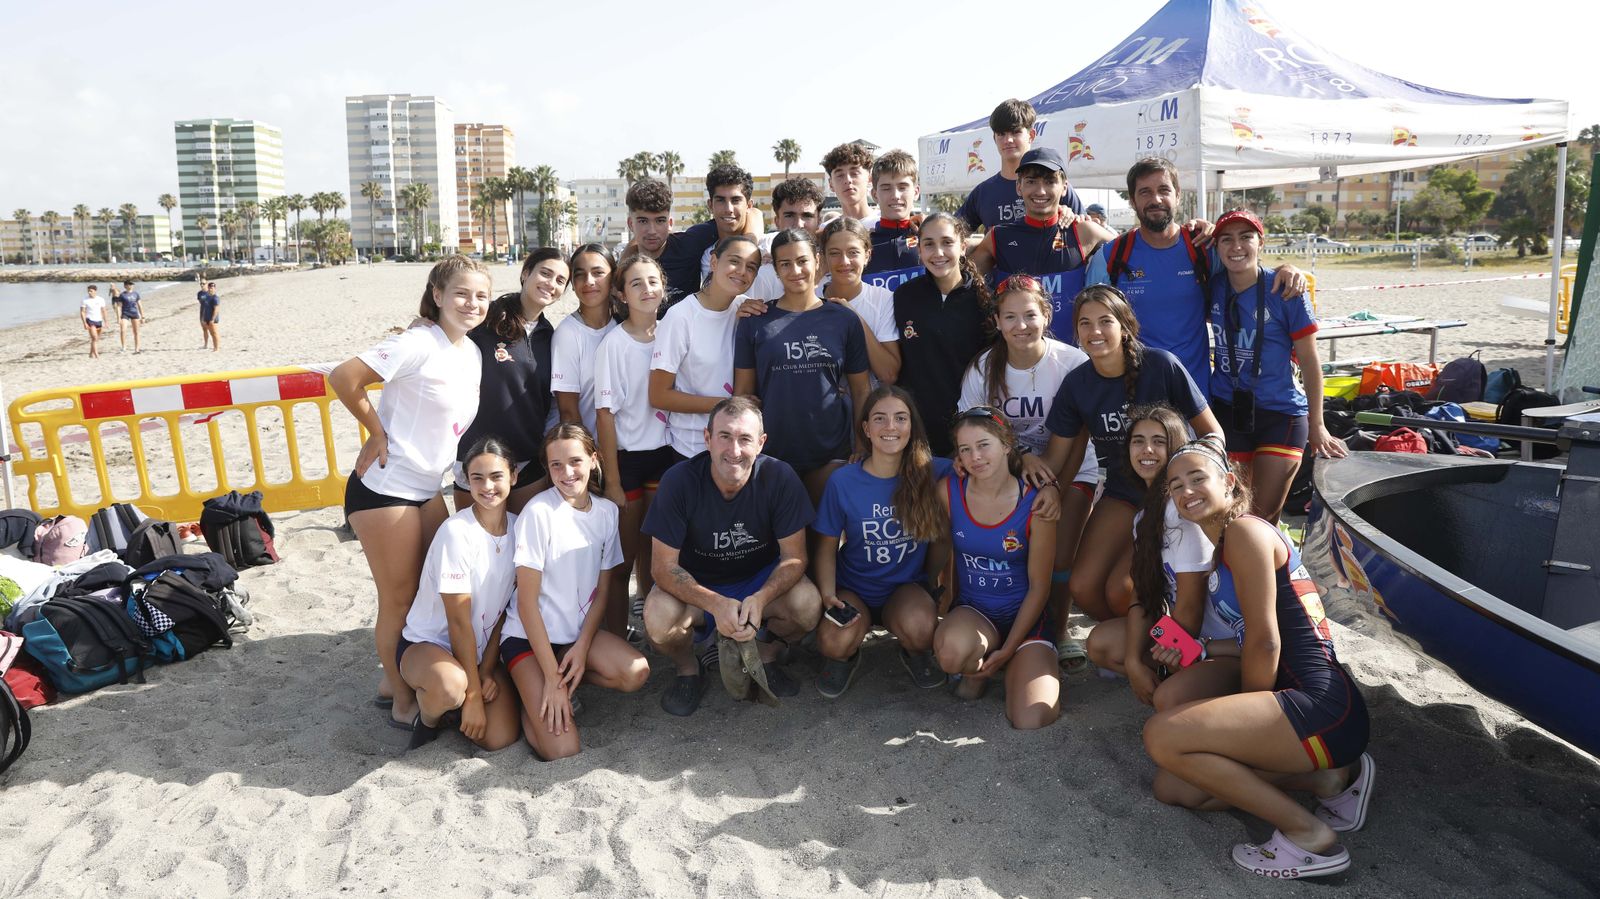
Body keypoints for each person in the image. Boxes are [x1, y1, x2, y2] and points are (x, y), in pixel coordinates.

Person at [1143, 439, 1373, 880]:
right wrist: (1204, 651)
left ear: (1229, 483)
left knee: (1162, 737)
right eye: (1175, 486)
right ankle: (1331, 780)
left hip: (1322, 705)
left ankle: (1311, 838)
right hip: (1310, 707)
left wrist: (1246, 724)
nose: (1186, 490)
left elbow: (1266, 644)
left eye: (1197, 478)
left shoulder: (1246, 533)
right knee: (1173, 786)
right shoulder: (1222, 552)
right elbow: (1253, 637)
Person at [330, 255, 491, 729]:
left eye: (481, 295)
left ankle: (391, 676)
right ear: (437, 295)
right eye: (461, 293)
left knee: (432, 592)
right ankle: (401, 700)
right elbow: (343, 377)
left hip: (426, 487)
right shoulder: (418, 342)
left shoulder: (469, 350)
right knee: (398, 600)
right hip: (385, 488)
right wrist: (375, 430)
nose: (472, 303)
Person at [1039, 285, 1222, 626]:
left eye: (1105, 321)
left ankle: (1169, 645)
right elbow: (1059, 458)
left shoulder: (1161, 365)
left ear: (1124, 326)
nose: (1094, 331)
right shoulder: (1077, 384)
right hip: (1123, 493)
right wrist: (1023, 466)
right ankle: (1138, 644)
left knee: (1120, 590)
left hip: (1173, 494)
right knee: (1083, 586)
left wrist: (1200, 480)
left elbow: (1213, 433)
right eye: (1084, 323)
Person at [640, 396, 822, 716]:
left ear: (761, 443)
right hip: (699, 586)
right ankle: (689, 669)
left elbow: (795, 557)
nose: (734, 450)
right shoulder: (679, 481)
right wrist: (714, 603)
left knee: (808, 605)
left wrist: (762, 598)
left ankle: (764, 655)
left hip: (757, 580)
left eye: (745, 439)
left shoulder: (779, 477)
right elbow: (663, 567)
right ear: (707, 438)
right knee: (657, 618)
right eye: (724, 436)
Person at [958, 275, 1098, 664]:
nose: (1022, 326)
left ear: (1047, 315)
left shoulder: (1072, 362)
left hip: (1071, 467)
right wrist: (1021, 457)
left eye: (1030, 315)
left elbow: (1081, 435)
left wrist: (1054, 486)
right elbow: (971, 426)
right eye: (1011, 317)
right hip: (1006, 468)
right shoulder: (984, 368)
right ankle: (1009, 617)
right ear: (998, 322)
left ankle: (1057, 624)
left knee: (1060, 549)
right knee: (1013, 548)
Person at [1085, 157, 1305, 393]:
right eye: (1145, 192)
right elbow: (1090, 324)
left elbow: (1248, 273)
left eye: (1163, 190)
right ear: (1132, 200)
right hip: (1136, 390)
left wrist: (1284, 269)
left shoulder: (1203, 248)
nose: (1155, 199)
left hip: (1195, 393)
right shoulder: (1111, 257)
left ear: (1178, 195)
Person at [505, 424, 649, 760]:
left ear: (594, 459)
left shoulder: (606, 513)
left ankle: (557, 682)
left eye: (575, 461)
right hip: (527, 638)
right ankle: (529, 700)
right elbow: (526, 604)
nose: (567, 473)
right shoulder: (539, 513)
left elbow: (602, 589)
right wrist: (553, 680)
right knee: (564, 749)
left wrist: (582, 648)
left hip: (572, 638)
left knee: (635, 672)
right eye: (556, 465)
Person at [1084, 404, 1238, 710]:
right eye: (1138, 440)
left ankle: (1196, 686)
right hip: (1190, 632)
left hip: (1220, 640)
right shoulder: (1145, 515)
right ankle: (1184, 683)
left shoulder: (1184, 510)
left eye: (1159, 441)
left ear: (1177, 448)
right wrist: (1132, 661)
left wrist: (1170, 658)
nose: (1147, 449)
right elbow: (1143, 592)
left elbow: (1191, 608)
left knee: (1168, 699)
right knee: (1102, 644)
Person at [1208, 209, 1348, 522]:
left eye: (1246, 237)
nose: (1236, 246)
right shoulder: (1213, 287)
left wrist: (1318, 425)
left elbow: (1311, 363)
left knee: (1258, 518)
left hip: (1281, 414)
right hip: (1228, 411)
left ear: (1261, 242)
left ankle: (1273, 569)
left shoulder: (1286, 290)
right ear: (1216, 248)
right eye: (1227, 239)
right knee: (1229, 515)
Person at [810, 386, 951, 697]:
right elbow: (826, 547)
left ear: (911, 426)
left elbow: (984, 465)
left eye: (900, 418)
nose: (890, 427)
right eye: (880, 418)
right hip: (854, 587)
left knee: (923, 629)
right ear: (866, 429)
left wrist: (1029, 465)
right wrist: (828, 595)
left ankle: (913, 653)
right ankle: (848, 655)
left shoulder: (932, 470)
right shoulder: (843, 481)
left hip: (904, 589)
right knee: (833, 643)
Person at [933, 408, 1060, 729]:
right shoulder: (949, 491)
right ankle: (981, 667)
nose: (975, 456)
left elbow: (1039, 587)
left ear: (1007, 444)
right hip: (977, 612)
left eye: (983, 445)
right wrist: (944, 605)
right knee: (949, 655)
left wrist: (1009, 649)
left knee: (1032, 718)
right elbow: (944, 554)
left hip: (1026, 619)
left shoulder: (1036, 502)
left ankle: (1014, 664)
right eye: (965, 449)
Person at [399, 437, 523, 752]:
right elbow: (458, 622)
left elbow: (503, 613)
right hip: (429, 644)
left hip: (478, 651)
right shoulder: (456, 533)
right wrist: (473, 695)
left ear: (513, 476)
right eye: (477, 478)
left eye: (496, 476)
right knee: (450, 686)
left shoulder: (521, 530)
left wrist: (485, 671)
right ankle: (427, 719)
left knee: (499, 739)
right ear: (466, 481)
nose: (487, 486)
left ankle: (455, 706)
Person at [734, 229, 870, 503]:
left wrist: (862, 444)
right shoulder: (755, 320)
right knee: (783, 541)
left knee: (825, 540)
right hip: (772, 453)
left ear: (817, 261)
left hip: (832, 452)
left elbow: (861, 391)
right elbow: (743, 396)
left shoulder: (844, 319)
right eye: (785, 263)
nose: (795, 270)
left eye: (802, 261)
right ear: (775, 269)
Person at [595, 254, 676, 635]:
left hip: (666, 455)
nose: (647, 290)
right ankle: (614, 633)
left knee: (652, 549)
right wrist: (611, 480)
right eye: (636, 283)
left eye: (652, 281)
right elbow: (605, 415)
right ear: (621, 294)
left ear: (664, 285)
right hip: (627, 459)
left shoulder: (672, 331)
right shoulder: (614, 343)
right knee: (621, 556)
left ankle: (649, 623)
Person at [452, 248, 567, 515]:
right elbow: (444, 328)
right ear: (526, 273)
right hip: (476, 459)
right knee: (477, 546)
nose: (551, 283)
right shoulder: (485, 318)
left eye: (560, 280)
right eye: (545, 273)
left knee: (521, 548)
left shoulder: (551, 336)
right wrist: (422, 323)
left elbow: (549, 403)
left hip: (527, 461)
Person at [970, 148, 1116, 342]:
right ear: (1019, 187)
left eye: (1050, 181)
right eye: (1031, 182)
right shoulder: (998, 237)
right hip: (1016, 358)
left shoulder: (1084, 231)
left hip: (1071, 359)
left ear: (1064, 187)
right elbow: (959, 280)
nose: (1040, 191)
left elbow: (1132, 249)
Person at [649, 234, 760, 461]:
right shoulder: (681, 317)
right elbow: (659, 395)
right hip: (691, 449)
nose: (741, 271)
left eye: (751, 267)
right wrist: (727, 404)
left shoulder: (747, 310)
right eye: (734, 261)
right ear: (714, 261)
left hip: (735, 449)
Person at [892, 213, 990, 458]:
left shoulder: (986, 302)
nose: (938, 252)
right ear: (919, 249)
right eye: (929, 244)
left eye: (947, 242)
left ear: (963, 246)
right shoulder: (904, 297)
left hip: (969, 434)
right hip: (915, 433)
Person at [955, 98, 1084, 233]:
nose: (1008, 140)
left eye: (1015, 132)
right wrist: (984, 245)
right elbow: (952, 235)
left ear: (1031, 135)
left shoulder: (1056, 186)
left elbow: (1086, 237)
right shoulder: (983, 193)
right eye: (1001, 134)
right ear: (994, 138)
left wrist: (1073, 218)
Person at [818, 216, 901, 385]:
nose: (844, 261)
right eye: (834, 253)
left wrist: (854, 318)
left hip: (869, 408)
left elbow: (888, 374)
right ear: (823, 257)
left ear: (867, 255)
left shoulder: (883, 299)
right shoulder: (810, 299)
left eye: (853, 252)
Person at [552, 244, 619, 434]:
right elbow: (568, 412)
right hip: (591, 451)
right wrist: (591, 456)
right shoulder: (567, 333)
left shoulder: (623, 325)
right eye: (580, 274)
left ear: (613, 278)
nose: (589, 281)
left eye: (598, 272)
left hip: (626, 449)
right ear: (572, 283)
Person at [748, 178, 826, 301]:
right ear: (777, 221)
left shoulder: (836, 263)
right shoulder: (764, 272)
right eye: (789, 215)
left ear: (819, 221)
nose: (799, 224)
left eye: (807, 216)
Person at [862, 150, 925, 292]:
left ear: (916, 192)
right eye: (886, 188)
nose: (895, 195)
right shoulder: (862, 245)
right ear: (874, 194)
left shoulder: (930, 239)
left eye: (902, 187)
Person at [821, 142, 875, 223]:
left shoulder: (888, 224)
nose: (847, 180)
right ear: (831, 184)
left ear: (869, 178)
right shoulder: (826, 231)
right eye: (840, 175)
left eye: (854, 173)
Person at [79, 285, 106, 359]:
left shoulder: (101, 299)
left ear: (95, 291)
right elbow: (82, 312)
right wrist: (84, 323)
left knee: (96, 339)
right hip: (90, 320)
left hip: (99, 320)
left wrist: (106, 322)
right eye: (88, 291)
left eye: (91, 291)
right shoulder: (84, 300)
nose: (89, 292)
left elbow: (103, 311)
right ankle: (96, 354)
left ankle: (91, 353)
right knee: (94, 337)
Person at [117, 280, 143, 353]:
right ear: (125, 286)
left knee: (136, 332)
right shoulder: (122, 295)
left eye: (131, 284)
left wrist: (143, 316)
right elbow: (118, 306)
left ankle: (137, 348)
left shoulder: (136, 294)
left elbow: (140, 305)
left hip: (134, 313)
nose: (131, 285)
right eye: (129, 284)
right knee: (123, 330)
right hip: (125, 313)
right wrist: (118, 317)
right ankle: (123, 347)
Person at [197, 281, 221, 350]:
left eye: (212, 287)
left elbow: (216, 309)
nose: (211, 289)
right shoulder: (205, 296)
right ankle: (212, 346)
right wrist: (203, 318)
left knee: (214, 333)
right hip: (206, 317)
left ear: (215, 288)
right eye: (210, 288)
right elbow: (204, 306)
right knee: (210, 332)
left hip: (212, 319)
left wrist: (212, 319)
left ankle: (216, 348)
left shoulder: (215, 298)